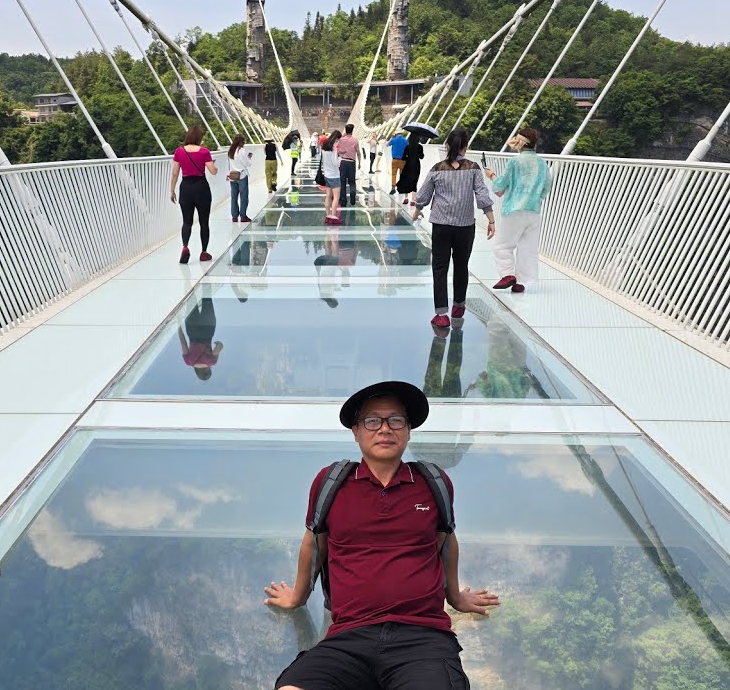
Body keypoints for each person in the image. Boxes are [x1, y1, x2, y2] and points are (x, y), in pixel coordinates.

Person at [265, 381, 501, 690]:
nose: (385, 429)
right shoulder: (331, 482)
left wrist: (454, 596)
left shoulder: (433, 482)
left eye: (396, 420)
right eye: (372, 421)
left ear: (408, 430)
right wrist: (297, 596)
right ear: (356, 431)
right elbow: (314, 543)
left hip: (422, 640)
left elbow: (446, 541)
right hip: (348, 638)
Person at [415, 128, 494, 329]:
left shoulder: (437, 168)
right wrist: (491, 220)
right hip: (465, 226)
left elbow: (423, 194)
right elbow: (482, 195)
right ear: (465, 148)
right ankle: (458, 306)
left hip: (441, 225)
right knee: (461, 266)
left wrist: (417, 210)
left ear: (447, 146)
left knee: (440, 268)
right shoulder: (475, 168)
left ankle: (441, 314)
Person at [485, 127, 553, 293]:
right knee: (527, 248)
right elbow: (547, 186)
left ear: (520, 142)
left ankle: (508, 274)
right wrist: (536, 199)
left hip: (514, 210)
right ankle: (520, 282)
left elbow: (500, 185)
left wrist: (492, 176)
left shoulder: (515, 162)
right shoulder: (542, 164)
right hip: (533, 212)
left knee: (502, 245)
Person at [170, 126, 218, 264]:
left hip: (185, 188)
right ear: (199, 138)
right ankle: (203, 252)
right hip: (201, 188)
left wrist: (172, 190)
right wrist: (215, 166)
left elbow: (174, 173)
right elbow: (213, 171)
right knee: (204, 222)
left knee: (187, 221)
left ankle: (185, 247)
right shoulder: (204, 152)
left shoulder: (179, 151)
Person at [177, 298, 222, 381]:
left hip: (208, 332)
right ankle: (188, 285)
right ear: (197, 372)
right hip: (192, 331)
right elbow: (183, 343)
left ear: (208, 370)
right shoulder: (188, 362)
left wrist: (217, 343)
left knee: (207, 299)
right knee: (191, 300)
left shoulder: (212, 362)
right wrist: (179, 325)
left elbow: (219, 346)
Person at [227, 135, 254, 223]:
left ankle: (234, 217)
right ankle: (243, 216)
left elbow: (230, 164)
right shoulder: (241, 151)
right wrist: (249, 157)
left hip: (233, 176)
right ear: (242, 142)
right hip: (242, 176)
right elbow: (247, 163)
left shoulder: (231, 151)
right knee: (244, 196)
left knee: (234, 197)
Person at [394, 134, 426, 207]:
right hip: (416, 165)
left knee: (407, 180)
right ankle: (413, 200)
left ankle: (406, 198)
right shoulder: (420, 147)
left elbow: (403, 158)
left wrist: (407, 156)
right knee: (415, 181)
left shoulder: (407, 147)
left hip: (408, 165)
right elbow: (422, 157)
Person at [319, 131, 343, 225]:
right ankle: (333, 217)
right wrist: (340, 156)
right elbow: (335, 163)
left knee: (328, 196)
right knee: (336, 197)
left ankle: (328, 216)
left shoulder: (324, 146)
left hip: (327, 174)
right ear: (336, 138)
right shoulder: (333, 148)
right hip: (334, 175)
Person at [335, 123, 360, 207]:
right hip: (351, 162)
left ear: (345, 130)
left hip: (343, 162)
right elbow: (358, 152)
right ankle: (352, 193)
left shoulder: (341, 140)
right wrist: (359, 162)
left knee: (342, 182)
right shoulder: (355, 140)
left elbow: (337, 150)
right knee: (352, 181)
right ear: (352, 130)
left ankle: (343, 201)